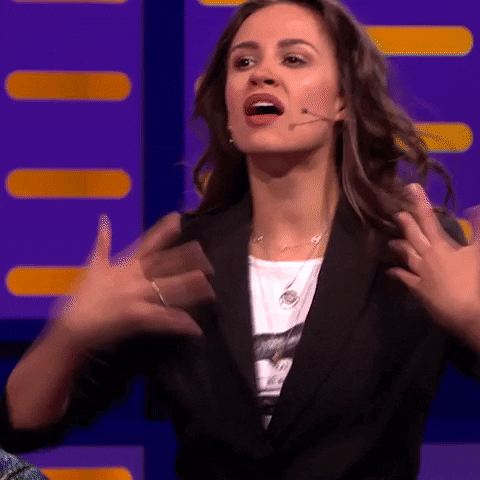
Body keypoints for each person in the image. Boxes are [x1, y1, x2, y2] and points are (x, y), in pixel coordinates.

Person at [1, 0, 480, 478]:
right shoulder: (182, 259)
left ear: (343, 101)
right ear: (229, 112)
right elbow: (21, 425)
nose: (261, 74)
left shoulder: (414, 247)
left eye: (293, 59)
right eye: (244, 62)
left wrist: (474, 321)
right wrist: (70, 334)